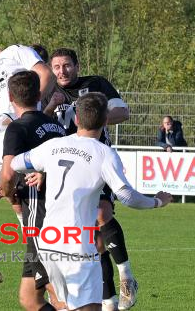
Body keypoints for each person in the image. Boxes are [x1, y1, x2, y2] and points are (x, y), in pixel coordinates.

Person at [12, 92, 173, 311]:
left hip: (48, 242)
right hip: (77, 246)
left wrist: (42, 168)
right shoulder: (104, 153)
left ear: (76, 119)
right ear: (106, 121)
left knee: (63, 306)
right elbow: (126, 195)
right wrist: (157, 201)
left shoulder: (53, 146)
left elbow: (16, 163)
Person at [43, 48, 134, 311]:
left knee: (102, 215)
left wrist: (94, 116)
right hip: (65, 171)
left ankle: (126, 275)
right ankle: (108, 300)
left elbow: (123, 112)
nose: (62, 71)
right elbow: (36, 122)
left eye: (67, 65)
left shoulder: (95, 85)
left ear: (77, 66)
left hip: (95, 162)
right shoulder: (48, 92)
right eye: (57, 67)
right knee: (93, 241)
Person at [0, 31, 55, 299]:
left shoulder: (15, 52)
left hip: (22, 129)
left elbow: (46, 74)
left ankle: (43, 260)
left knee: (26, 199)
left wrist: (33, 112)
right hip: (3, 138)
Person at [0, 71, 66, 311]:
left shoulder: (17, 128)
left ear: (11, 96)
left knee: (57, 292)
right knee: (30, 298)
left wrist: (6, 189)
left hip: (41, 219)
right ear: (39, 94)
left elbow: (8, 173)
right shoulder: (56, 126)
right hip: (61, 212)